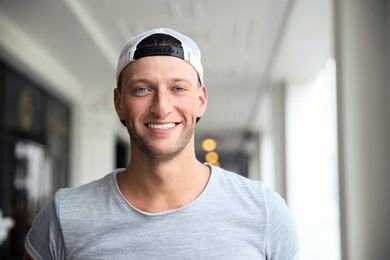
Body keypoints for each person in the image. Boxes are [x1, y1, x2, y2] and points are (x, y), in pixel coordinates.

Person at [24, 28, 299, 259]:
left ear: (200, 100)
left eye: (178, 88)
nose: (161, 107)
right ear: (119, 103)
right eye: (142, 89)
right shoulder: (65, 215)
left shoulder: (264, 212)